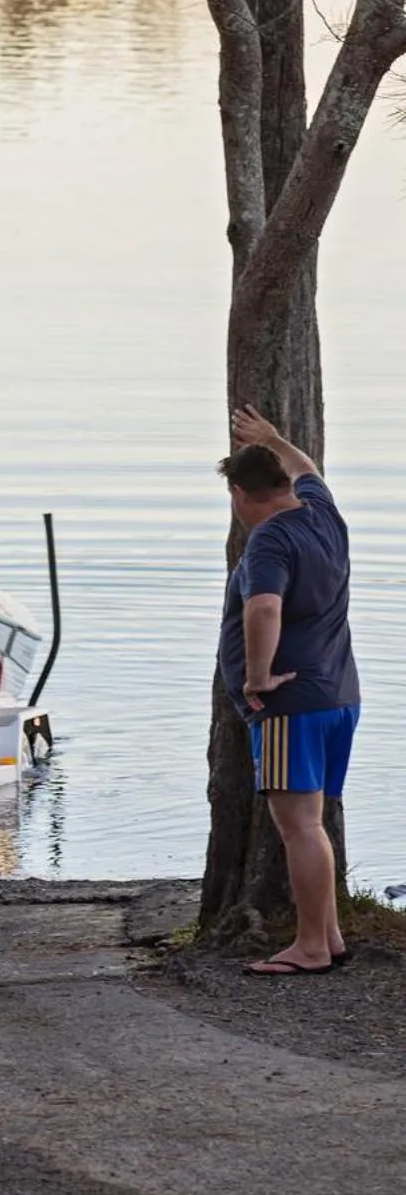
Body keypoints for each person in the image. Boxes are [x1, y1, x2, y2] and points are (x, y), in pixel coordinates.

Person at [217, 405, 361, 975]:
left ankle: (310, 948)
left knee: (299, 826)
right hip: (338, 696)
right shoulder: (323, 514)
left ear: (238, 493)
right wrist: (275, 438)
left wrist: (258, 676)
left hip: (291, 703)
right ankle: (329, 936)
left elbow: (264, 608)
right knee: (312, 821)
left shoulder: (269, 540)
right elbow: (310, 471)